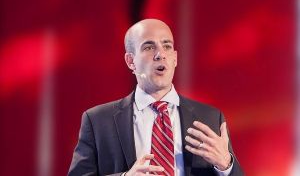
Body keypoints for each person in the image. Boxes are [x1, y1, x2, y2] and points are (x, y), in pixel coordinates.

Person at [68, 19, 243, 176]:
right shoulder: (98, 121)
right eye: (149, 47)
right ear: (131, 61)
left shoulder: (210, 117)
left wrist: (226, 165)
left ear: (175, 58)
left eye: (167, 46)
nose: (160, 54)